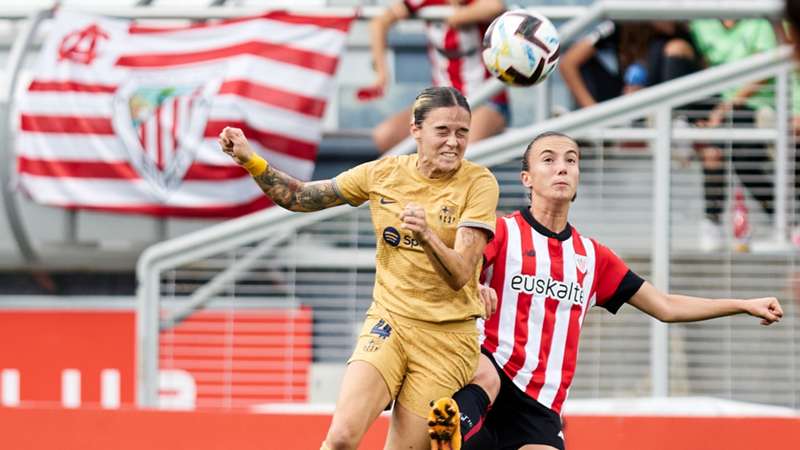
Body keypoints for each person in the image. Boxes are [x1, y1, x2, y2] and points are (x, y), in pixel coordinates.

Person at [426, 131, 784, 450]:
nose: (562, 168)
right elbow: (456, 270)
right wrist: (474, 288)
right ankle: (452, 427)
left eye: (571, 160)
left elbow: (666, 306)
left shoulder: (593, 257)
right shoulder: (503, 232)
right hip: (488, 380)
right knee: (481, 375)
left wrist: (742, 303)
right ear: (527, 179)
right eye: (548, 160)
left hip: (540, 406)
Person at [219, 86, 499, 450]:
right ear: (415, 130)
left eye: (462, 132)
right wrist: (250, 160)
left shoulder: (479, 183)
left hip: (446, 340)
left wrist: (427, 234)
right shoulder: (383, 174)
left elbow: (461, 271)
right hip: (390, 322)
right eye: (442, 131)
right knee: (340, 438)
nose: (453, 142)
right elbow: (300, 196)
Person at [363, 0, 508, 153]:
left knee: (459, 153)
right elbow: (379, 23)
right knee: (385, 136)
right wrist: (381, 73)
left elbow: (495, 7)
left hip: (486, 101)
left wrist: (460, 16)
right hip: (441, 102)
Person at [688, 19, 778, 251]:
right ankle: (713, 221)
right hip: (718, 106)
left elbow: (765, 71)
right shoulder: (702, 25)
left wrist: (726, 107)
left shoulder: (759, 23)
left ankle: (782, 218)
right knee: (712, 153)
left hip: (754, 104)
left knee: (744, 159)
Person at [560, 20, 700, 108]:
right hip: (624, 96)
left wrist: (645, 94)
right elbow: (568, 63)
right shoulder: (620, 23)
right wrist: (591, 110)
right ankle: (597, 129)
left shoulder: (685, 30)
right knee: (584, 62)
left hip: (656, 105)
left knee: (675, 48)